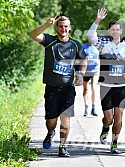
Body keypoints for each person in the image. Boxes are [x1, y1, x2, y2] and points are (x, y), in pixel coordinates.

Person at [29, 15, 87, 157]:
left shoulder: (75, 44)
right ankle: (50, 133)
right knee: (51, 121)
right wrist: (46, 24)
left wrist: (80, 75)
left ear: (70, 27)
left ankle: (62, 146)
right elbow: (32, 34)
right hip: (52, 88)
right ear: (57, 27)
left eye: (66, 26)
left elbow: (83, 60)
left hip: (68, 88)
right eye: (61, 26)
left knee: (65, 121)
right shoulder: (49, 40)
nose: (63, 29)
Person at [86, 8, 125, 154]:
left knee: (119, 117)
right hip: (106, 87)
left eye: (117, 29)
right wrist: (98, 20)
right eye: (113, 29)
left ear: (121, 31)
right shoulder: (102, 44)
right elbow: (90, 35)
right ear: (109, 31)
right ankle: (105, 128)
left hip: (120, 87)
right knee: (108, 118)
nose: (115, 32)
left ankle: (114, 143)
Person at [82, 41, 100, 116]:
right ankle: (86, 107)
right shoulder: (83, 47)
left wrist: (98, 62)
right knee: (85, 89)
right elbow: (79, 57)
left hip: (95, 70)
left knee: (94, 87)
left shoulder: (97, 47)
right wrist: (85, 59)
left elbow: (100, 59)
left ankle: (93, 107)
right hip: (86, 70)